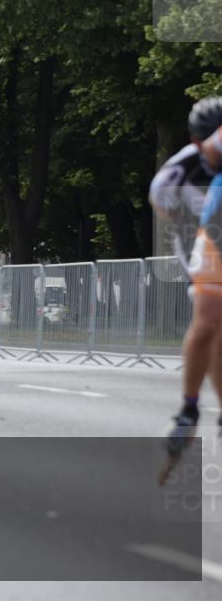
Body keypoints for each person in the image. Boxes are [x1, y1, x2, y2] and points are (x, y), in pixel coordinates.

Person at [149, 98, 222, 463]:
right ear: (196, 142)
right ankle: (189, 410)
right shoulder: (178, 171)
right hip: (204, 241)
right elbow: (162, 208)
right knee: (209, 320)